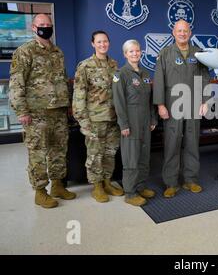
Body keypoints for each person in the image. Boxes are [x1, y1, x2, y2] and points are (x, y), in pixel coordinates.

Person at [9, 13, 76, 208]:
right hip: (36, 113)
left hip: (58, 111)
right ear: (33, 27)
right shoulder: (25, 52)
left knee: (58, 150)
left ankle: (57, 185)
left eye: (48, 24)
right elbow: (16, 83)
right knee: (38, 152)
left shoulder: (57, 52)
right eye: (42, 24)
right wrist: (21, 111)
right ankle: (40, 191)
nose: (45, 27)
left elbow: (63, 80)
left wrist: (68, 104)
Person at [153, 19, 210, 198]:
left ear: (190, 33)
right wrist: (160, 105)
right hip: (172, 104)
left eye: (185, 31)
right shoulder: (165, 53)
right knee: (172, 143)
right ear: (173, 33)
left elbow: (205, 78)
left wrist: (205, 101)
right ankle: (171, 182)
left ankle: (191, 180)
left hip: (193, 104)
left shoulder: (199, 53)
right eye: (179, 31)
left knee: (192, 142)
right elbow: (159, 80)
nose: (182, 33)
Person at [72, 30, 123, 203]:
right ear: (93, 44)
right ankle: (97, 186)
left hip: (113, 118)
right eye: (99, 42)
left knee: (110, 152)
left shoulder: (114, 65)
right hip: (94, 119)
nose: (103, 45)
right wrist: (83, 121)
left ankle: (108, 182)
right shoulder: (85, 66)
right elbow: (79, 95)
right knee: (95, 154)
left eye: (105, 41)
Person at [112, 40, 157, 206]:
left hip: (145, 122)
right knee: (131, 158)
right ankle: (130, 193)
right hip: (130, 122)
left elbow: (149, 100)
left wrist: (153, 118)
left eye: (137, 51)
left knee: (144, 157)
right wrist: (123, 124)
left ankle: (140, 186)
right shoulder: (121, 74)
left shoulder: (145, 74)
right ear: (125, 54)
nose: (135, 54)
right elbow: (119, 102)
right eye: (131, 51)